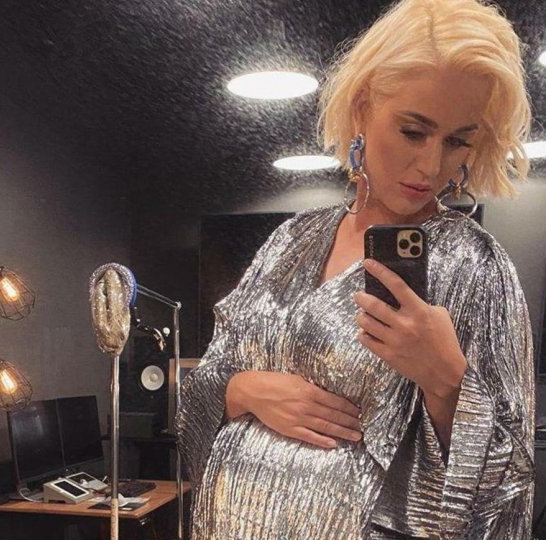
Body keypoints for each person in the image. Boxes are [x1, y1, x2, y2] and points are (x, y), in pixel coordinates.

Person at [175, 0, 536, 538]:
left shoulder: (475, 267)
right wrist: (243, 390)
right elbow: (202, 388)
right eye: (413, 131)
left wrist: (446, 382)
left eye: (458, 140)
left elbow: (510, 484)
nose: (431, 165)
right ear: (364, 105)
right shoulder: (290, 242)